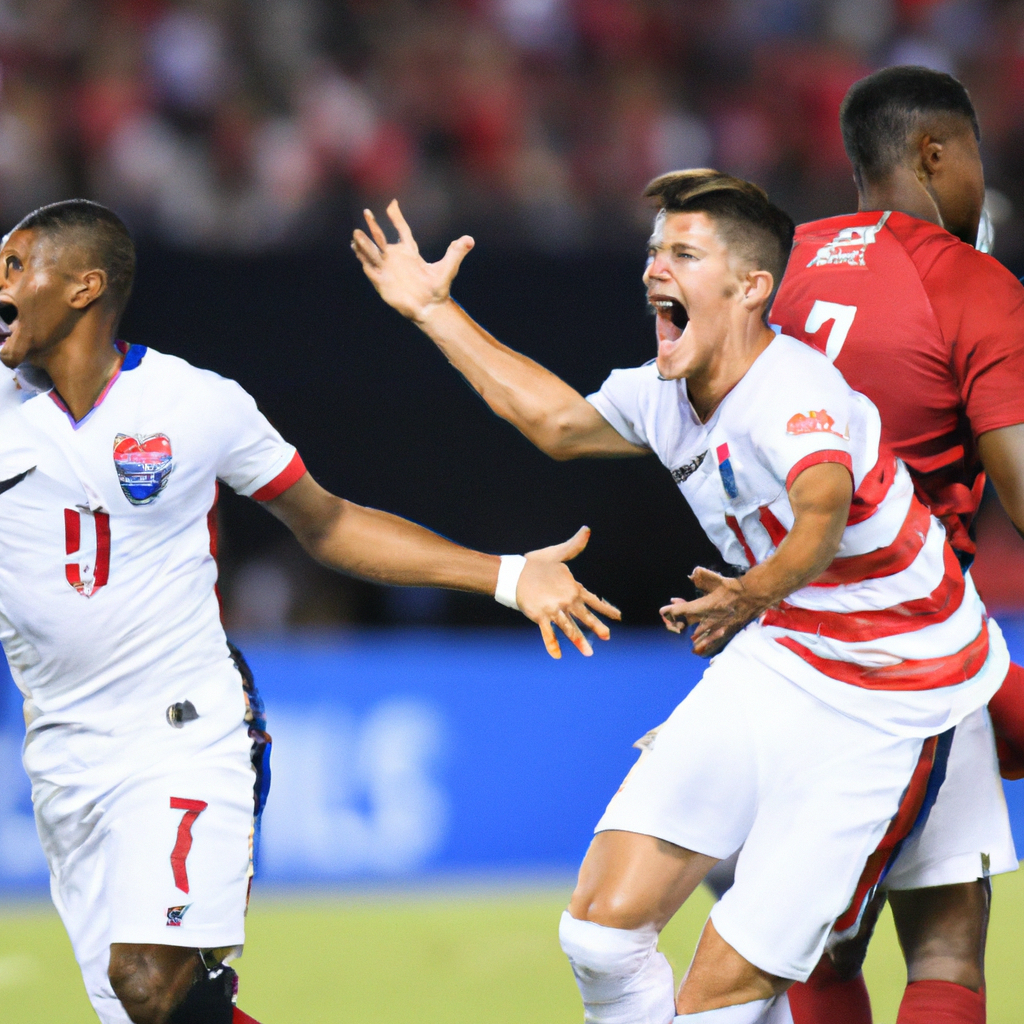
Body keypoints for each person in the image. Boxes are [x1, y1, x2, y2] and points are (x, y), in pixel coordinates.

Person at [351, 170, 1015, 1023]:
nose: (653, 268)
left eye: (683, 252)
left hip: (893, 696)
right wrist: (431, 309)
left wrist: (749, 594)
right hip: (785, 650)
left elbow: (821, 515)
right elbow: (555, 422)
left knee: (722, 996)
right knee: (598, 934)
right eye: (654, 249)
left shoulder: (794, 393)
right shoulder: (663, 393)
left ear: (752, 287)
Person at [0, 199, 619, 1024]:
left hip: (184, 728)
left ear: (86, 285)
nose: (0, 282)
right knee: (151, 1010)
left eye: (14, 265)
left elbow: (326, 522)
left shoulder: (197, 404)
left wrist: (504, 576)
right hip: (62, 751)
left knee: (147, 980)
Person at [769, 64, 1024, 1024]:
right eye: (975, 156)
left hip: (785, 645)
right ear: (933, 153)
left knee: (822, 947)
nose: (977, 178)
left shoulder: (776, 267)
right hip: (918, 640)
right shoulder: (973, 281)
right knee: (948, 938)